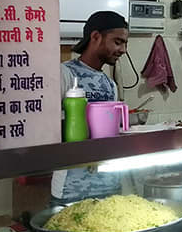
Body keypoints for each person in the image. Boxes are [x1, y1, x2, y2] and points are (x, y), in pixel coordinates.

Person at [51, 11, 129, 203]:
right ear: (95, 37)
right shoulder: (64, 73)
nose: (123, 50)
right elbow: (50, 128)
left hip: (109, 187)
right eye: (117, 42)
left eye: (125, 43)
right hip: (71, 190)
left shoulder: (109, 84)